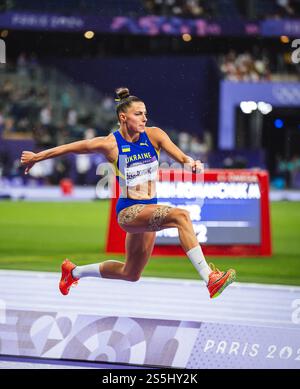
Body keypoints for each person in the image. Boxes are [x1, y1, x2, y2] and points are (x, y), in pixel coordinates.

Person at [20, 87, 236, 299]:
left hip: (150, 207)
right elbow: (71, 147)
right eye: (138, 114)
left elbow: (183, 158)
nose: (144, 119)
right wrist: (37, 157)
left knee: (131, 273)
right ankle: (210, 278)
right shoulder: (110, 144)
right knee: (181, 216)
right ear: (123, 117)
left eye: (145, 114)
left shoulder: (154, 135)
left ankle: (73, 272)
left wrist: (192, 164)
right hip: (129, 212)